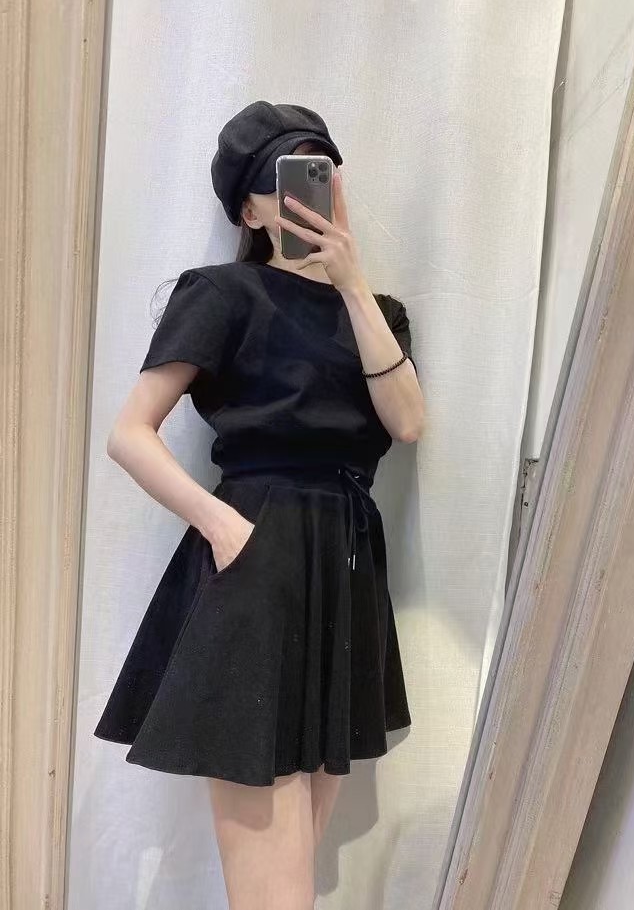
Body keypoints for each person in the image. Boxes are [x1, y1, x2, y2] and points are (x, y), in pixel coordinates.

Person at [93, 100, 425, 910]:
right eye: (286, 178)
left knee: (289, 879)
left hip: (341, 569)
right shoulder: (223, 294)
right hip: (256, 557)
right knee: (276, 892)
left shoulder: (377, 314)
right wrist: (223, 524)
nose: (310, 194)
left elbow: (408, 422)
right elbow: (129, 433)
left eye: (321, 172)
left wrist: (351, 282)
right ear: (249, 210)